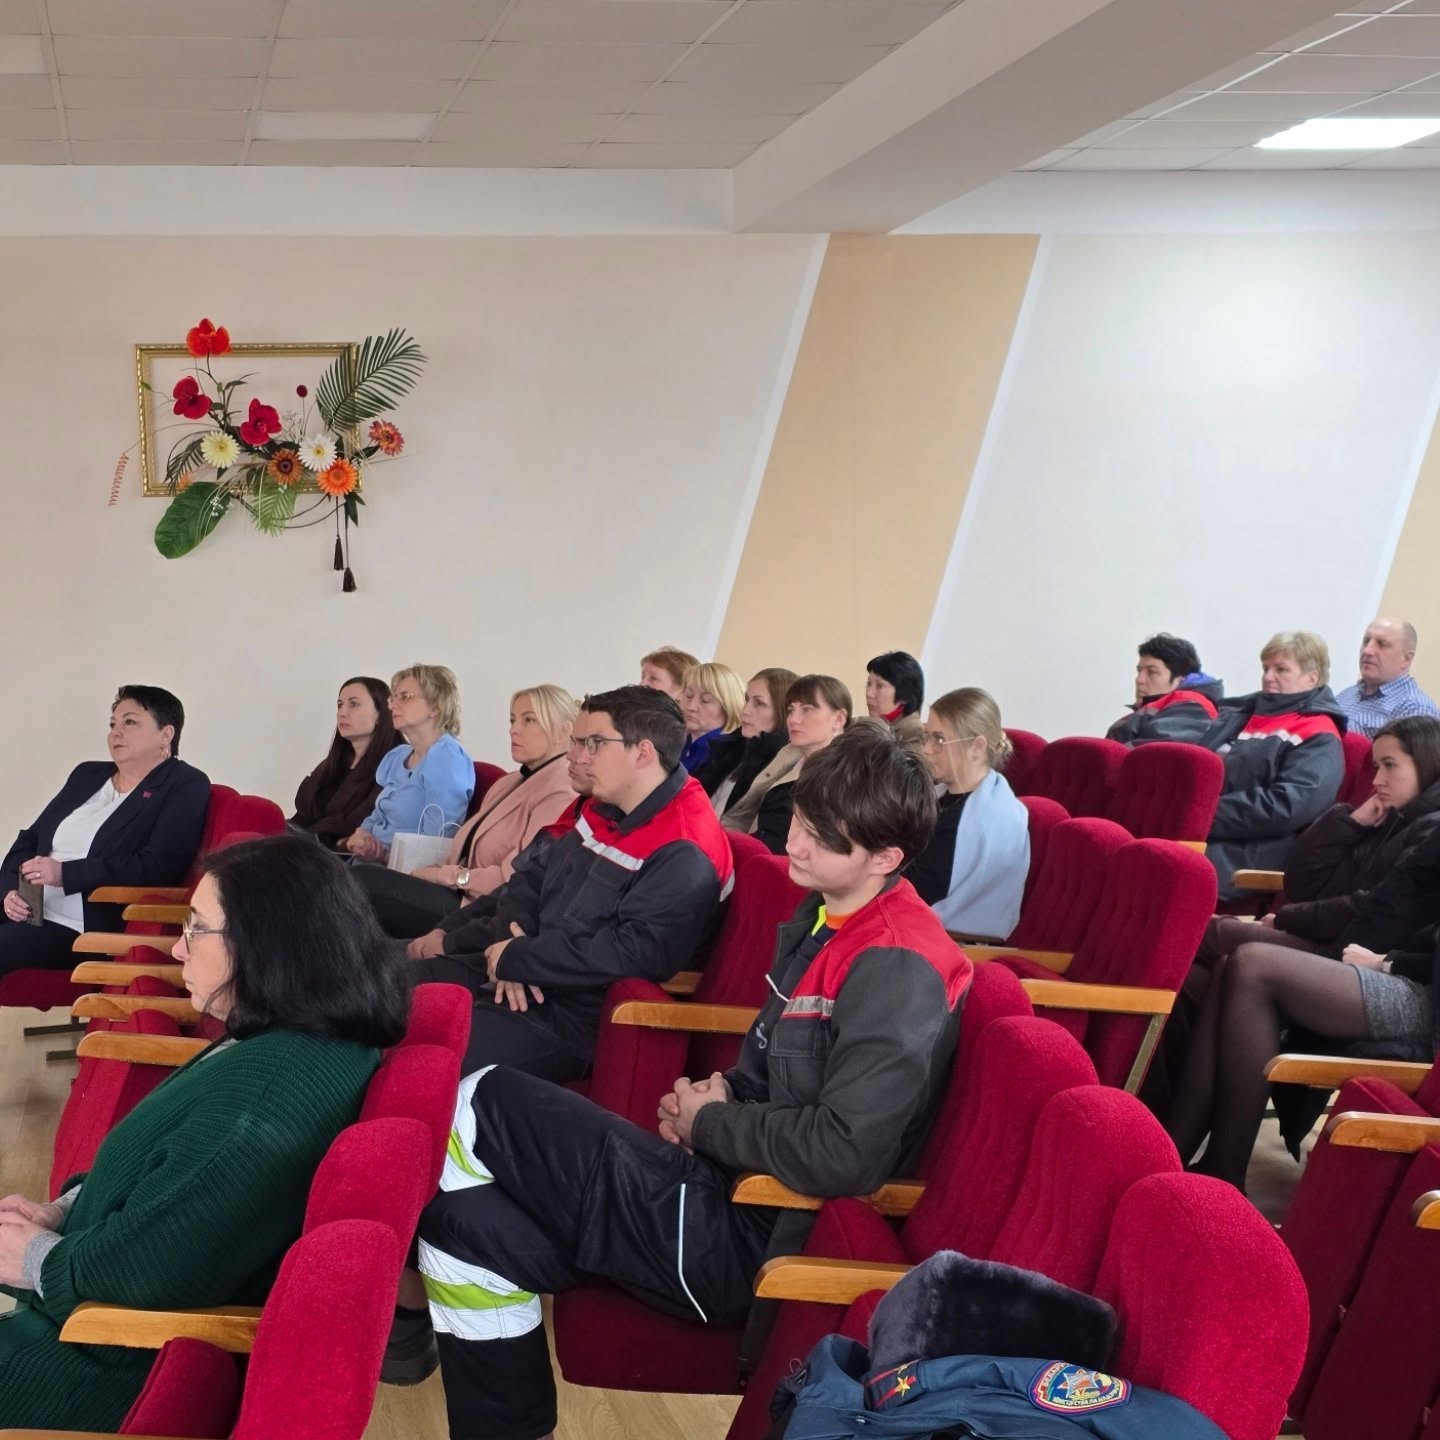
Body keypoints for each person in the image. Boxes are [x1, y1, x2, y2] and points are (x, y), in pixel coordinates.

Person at [400, 723, 972, 1440]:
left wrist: (710, 1122)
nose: (795, 845)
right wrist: (723, 1090)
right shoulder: (830, 914)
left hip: (749, 1239)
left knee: (481, 1096)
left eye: (824, 838)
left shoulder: (897, 967)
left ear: (886, 858)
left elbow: (845, 1153)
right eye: (799, 820)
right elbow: (781, 1071)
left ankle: (372, 1302)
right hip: (717, 1184)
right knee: (460, 1228)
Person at [0, 834, 407, 1430]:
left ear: (265, 944)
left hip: (92, 1362)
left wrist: (32, 1258)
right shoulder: (283, 1039)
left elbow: (145, 1272)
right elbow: (163, 1176)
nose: (177, 947)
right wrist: (61, 1211)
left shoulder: (267, 1097)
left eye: (195, 928)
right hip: (84, 1327)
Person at [411, 686, 734, 1080]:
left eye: (593, 743)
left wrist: (523, 958)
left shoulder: (685, 845)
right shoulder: (606, 804)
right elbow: (530, 876)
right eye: (578, 742)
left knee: (416, 1052)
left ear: (643, 752)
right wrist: (513, 945)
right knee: (379, 991)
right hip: (523, 970)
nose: (575, 756)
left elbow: (636, 953)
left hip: (573, 1013)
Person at [1142, 716, 1440, 1119]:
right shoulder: (1387, 817)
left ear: (1427, 763)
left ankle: (1176, 1124)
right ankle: (1155, 1113)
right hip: (1339, 941)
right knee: (1201, 975)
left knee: (1221, 942)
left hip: (1367, 958)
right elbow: (1303, 881)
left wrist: (1286, 919)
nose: (1377, 780)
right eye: (1375, 767)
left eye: (1390, 766)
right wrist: (1350, 822)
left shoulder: (1429, 828)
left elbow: (1370, 909)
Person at [1165, 905, 1435, 1192]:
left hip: (1427, 1001)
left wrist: (1388, 962)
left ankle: (1223, 1169)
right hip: (1398, 959)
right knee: (1230, 964)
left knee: (1251, 963)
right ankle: (1170, 1155)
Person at [0, 686, 209, 978]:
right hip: (30, 911)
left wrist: (66, 874)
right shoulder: (87, 774)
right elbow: (30, 839)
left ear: (166, 735)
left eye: (130, 722)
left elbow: (159, 866)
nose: (115, 733)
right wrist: (9, 890)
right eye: (112, 724)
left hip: (81, 928)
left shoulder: (185, 784)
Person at [354, 687, 578, 939]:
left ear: (564, 730)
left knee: (361, 882)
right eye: (512, 720)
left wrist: (446, 876)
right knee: (350, 882)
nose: (514, 729)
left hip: (485, 911)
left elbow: (517, 878)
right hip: (457, 893)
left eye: (529, 720)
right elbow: (464, 852)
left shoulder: (561, 789)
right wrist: (432, 872)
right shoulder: (510, 782)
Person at [1199, 631, 1346, 902]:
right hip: (1208, 830)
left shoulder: (1319, 735)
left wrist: (1201, 813)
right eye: (1265, 668)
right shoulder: (1241, 714)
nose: (1268, 676)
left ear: (1311, 678)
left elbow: (1285, 807)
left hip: (1252, 850)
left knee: (1155, 865)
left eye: (1281, 669)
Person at [909, 687, 1030, 941]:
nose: (926, 749)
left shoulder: (988, 819)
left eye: (939, 740)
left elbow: (925, 888)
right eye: (926, 737)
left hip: (945, 939)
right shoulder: (941, 796)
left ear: (977, 747)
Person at [343, 664, 474, 863]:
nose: (392, 706)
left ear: (435, 707)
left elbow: (436, 846)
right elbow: (378, 817)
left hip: (406, 874)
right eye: (393, 698)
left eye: (404, 697)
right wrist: (361, 837)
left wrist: (383, 856)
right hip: (368, 866)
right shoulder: (398, 757)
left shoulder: (447, 757)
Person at [746, 674, 851, 856]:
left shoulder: (844, 777)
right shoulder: (790, 756)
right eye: (790, 710)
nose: (793, 719)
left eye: (807, 709)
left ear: (839, 719)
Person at [290, 676, 396, 847]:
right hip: (303, 843)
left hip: (341, 855)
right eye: (340, 705)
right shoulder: (332, 764)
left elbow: (357, 824)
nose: (342, 713)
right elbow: (302, 816)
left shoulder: (394, 766)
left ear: (381, 713)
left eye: (354, 704)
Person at [694, 667, 797, 818]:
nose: (745, 711)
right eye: (747, 700)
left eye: (759, 703)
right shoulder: (732, 748)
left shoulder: (787, 771)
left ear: (783, 713)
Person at [1106, 633, 1223, 745]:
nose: (1139, 679)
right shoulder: (1156, 709)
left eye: (1152, 672)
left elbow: (1155, 754)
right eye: (1139, 671)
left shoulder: (1192, 706)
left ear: (1181, 679)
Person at [1334, 617, 1440, 738]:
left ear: (1406, 659)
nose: (1367, 651)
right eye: (1366, 641)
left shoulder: (1416, 709)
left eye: (1382, 644)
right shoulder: (1346, 694)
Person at [677, 661, 746, 775]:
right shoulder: (680, 740)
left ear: (728, 707)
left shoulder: (723, 755)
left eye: (706, 700)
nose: (691, 707)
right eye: (688, 695)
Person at [865, 651, 925, 750]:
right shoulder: (873, 725)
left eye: (880, 686)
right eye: (869, 683)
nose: (869, 694)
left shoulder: (913, 734)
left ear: (905, 695)